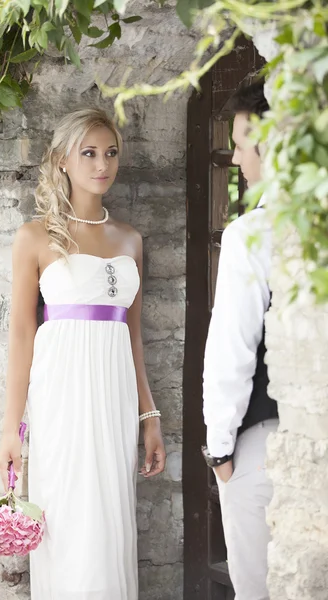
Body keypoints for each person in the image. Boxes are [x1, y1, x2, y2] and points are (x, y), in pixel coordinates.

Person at [0, 107, 166, 600]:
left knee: (109, 522)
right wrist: (11, 431)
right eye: (88, 153)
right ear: (62, 161)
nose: (102, 164)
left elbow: (132, 337)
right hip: (61, 403)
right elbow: (22, 335)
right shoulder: (35, 237)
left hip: (113, 405)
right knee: (68, 522)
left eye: (110, 152)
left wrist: (148, 415)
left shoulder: (131, 240)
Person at [202, 81, 279, 600]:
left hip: (263, 441)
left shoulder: (251, 235)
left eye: (242, 142)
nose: (233, 156)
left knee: (259, 588)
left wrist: (220, 449)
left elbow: (232, 351)